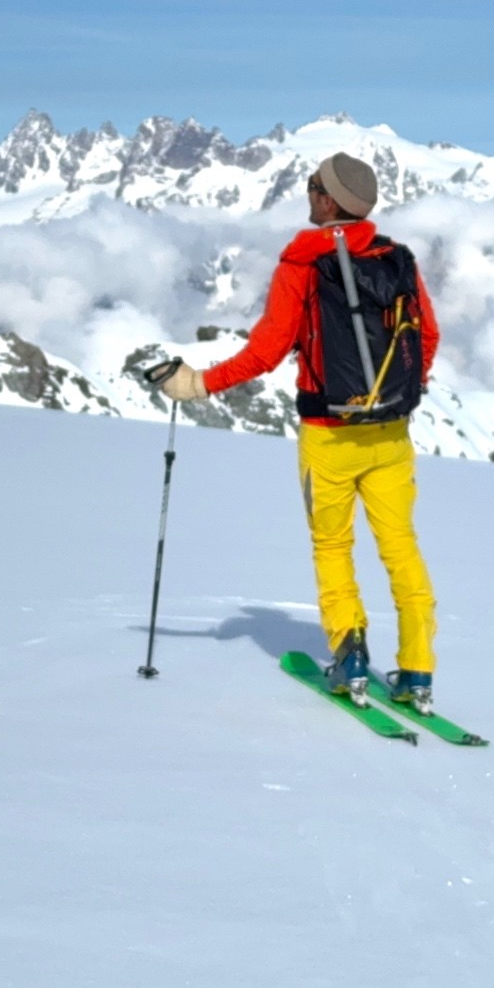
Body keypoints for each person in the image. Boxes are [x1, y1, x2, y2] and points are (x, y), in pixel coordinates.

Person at [159, 152, 441, 714]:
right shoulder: (399, 260)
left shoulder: (302, 264)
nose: (307, 193)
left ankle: (350, 655)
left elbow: (267, 352)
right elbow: (426, 336)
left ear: (329, 201)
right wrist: (393, 395)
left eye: (313, 186)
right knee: (401, 549)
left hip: (327, 432)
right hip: (390, 432)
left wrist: (199, 385)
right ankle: (416, 670)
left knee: (333, 545)